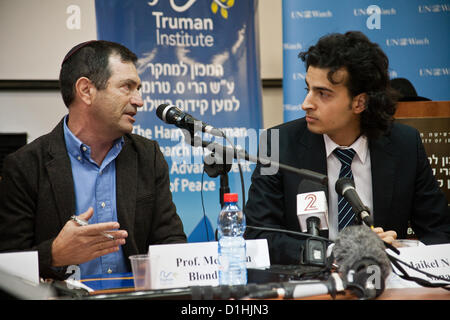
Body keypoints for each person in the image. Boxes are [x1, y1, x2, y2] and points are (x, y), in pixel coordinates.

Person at [244, 31, 450, 265]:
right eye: (307, 89)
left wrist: (399, 249)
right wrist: (334, 252)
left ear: (359, 102)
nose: (306, 104)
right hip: (311, 286)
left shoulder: (405, 145)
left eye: (323, 94)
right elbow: (258, 236)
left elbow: (440, 233)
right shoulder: (276, 143)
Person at [0, 40, 187, 280]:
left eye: (138, 88)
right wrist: (54, 254)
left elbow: (170, 240)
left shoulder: (147, 156)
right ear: (86, 90)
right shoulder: (25, 166)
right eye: (127, 87)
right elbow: (7, 265)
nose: (139, 100)